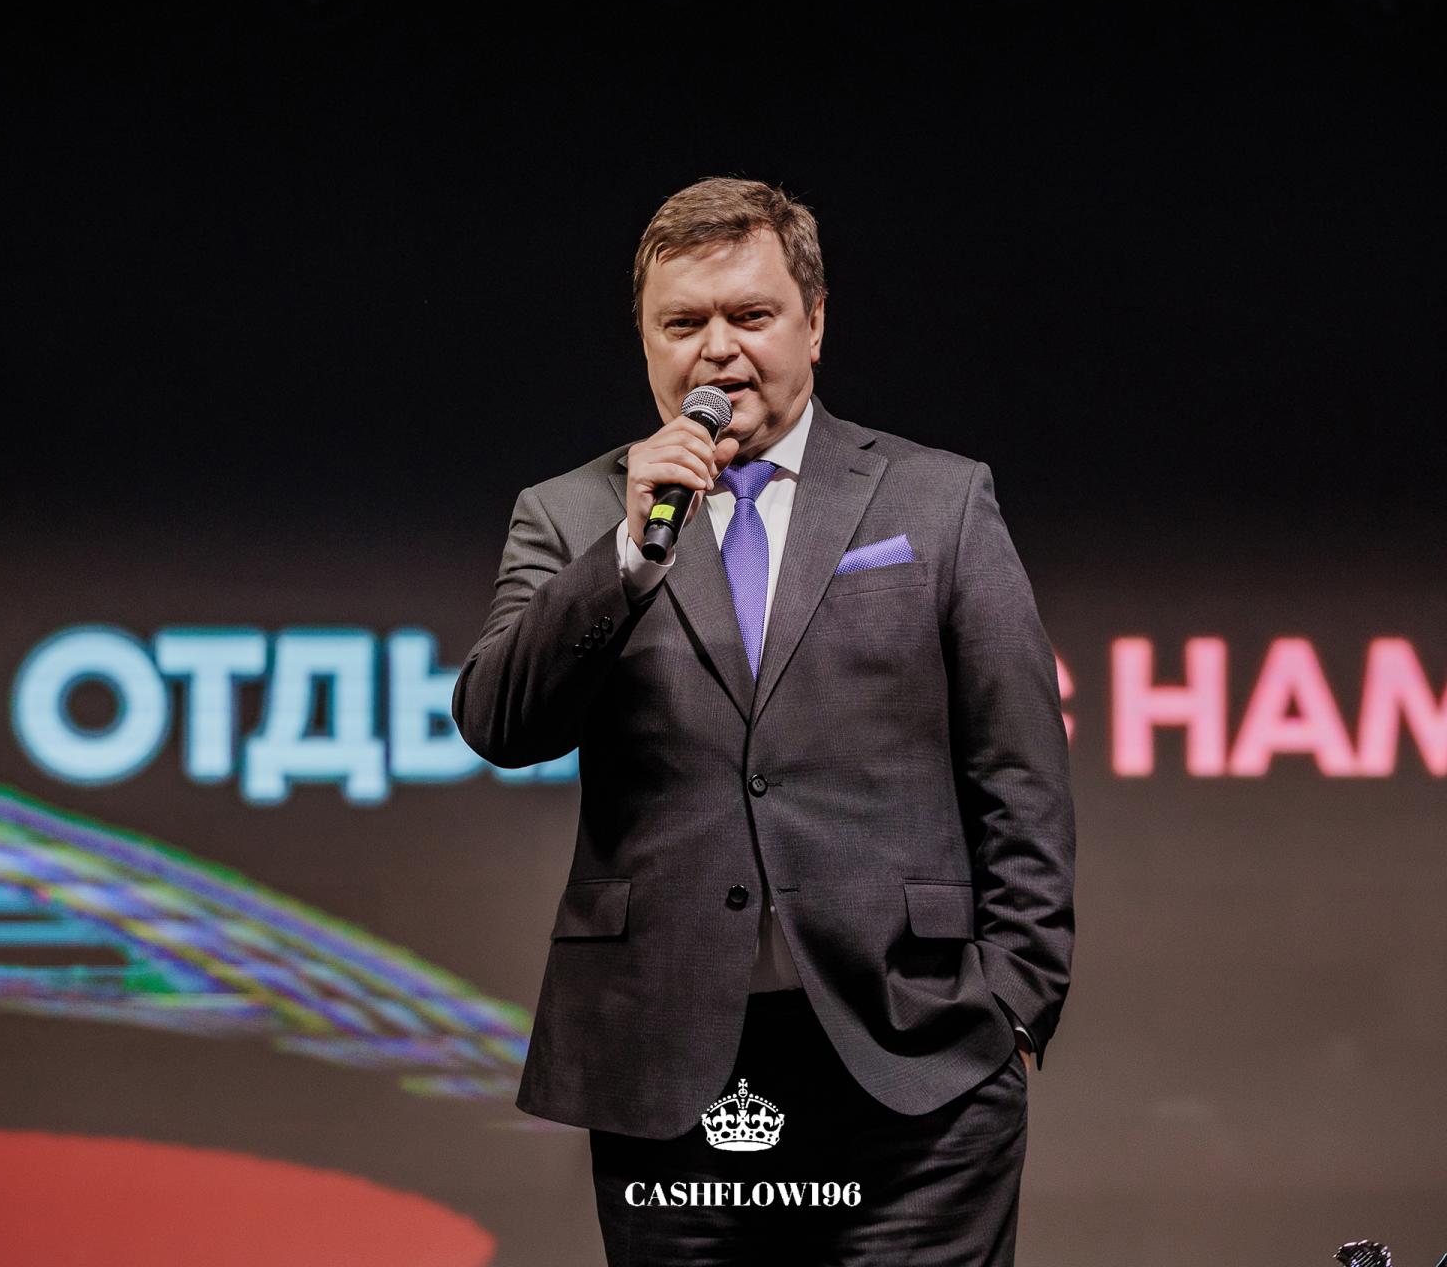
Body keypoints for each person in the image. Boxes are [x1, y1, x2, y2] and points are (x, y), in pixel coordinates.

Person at [451, 177, 1075, 1266]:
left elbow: (1017, 769)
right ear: (646, 341)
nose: (718, 350)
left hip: (916, 1058)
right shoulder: (574, 513)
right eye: (682, 323)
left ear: (815, 323)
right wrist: (626, 557)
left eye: (751, 315)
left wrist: (1013, 1004)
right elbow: (499, 720)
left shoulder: (938, 500)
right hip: (666, 1062)